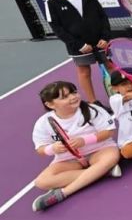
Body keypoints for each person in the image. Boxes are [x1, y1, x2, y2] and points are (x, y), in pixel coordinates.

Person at [31, 82, 120, 212]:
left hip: (100, 150)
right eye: (64, 97)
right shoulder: (43, 123)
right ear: (50, 104)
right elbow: (40, 149)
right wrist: (52, 149)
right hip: (69, 160)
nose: (73, 97)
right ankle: (102, 172)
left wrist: (84, 140)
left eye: (74, 92)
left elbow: (109, 131)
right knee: (41, 181)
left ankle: (64, 193)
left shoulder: (92, 110)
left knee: (111, 157)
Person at [44, 0, 111, 107]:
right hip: (78, 46)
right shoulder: (51, 3)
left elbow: (103, 17)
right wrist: (78, 45)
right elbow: (57, 29)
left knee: (110, 66)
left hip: (100, 41)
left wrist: (105, 37)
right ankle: (93, 102)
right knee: (84, 71)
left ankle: (121, 95)